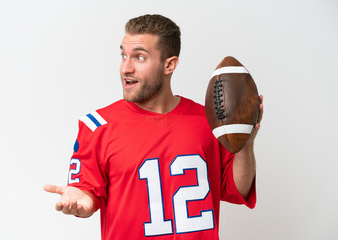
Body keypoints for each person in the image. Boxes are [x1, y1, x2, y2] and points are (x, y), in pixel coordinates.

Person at [44, 14, 263, 239]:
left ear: (169, 65)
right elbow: (86, 191)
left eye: (139, 57)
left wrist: (246, 143)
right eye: (123, 55)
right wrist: (83, 200)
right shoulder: (98, 125)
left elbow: (238, 190)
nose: (125, 68)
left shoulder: (208, 120)